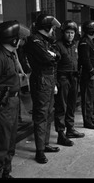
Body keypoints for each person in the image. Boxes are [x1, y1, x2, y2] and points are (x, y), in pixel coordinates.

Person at [0, 20, 30, 178]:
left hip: (11, 104)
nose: (21, 41)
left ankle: (5, 173)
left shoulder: (10, 55)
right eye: (19, 38)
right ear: (14, 40)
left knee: (9, 143)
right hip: (1, 107)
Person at [25, 14, 61, 164]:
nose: (53, 30)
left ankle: (45, 144)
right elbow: (48, 58)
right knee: (41, 114)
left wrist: (54, 55)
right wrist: (53, 55)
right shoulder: (35, 40)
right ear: (47, 27)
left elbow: (57, 56)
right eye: (52, 28)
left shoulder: (44, 40)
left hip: (49, 78)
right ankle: (40, 150)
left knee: (48, 112)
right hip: (41, 79)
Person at [54, 20, 85, 147]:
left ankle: (70, 129)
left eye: (72, 32)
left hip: (74, 77)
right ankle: (61, 133)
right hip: (63, 78)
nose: (70, 35)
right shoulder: (57, 45)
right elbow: (54, 65)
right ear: (63, 33)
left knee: (72, 104)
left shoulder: (75, 45)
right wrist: (55, 82)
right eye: (68, 32)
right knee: (61, 106)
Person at [78, 20, 94, 129]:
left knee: (91, 96)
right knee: (87, 98)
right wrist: (92, 71)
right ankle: (87, 121)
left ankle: (91, 117)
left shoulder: (91, 41)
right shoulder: (85, 42)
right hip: (88, 73)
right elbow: (85, 59)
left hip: (93, 71)